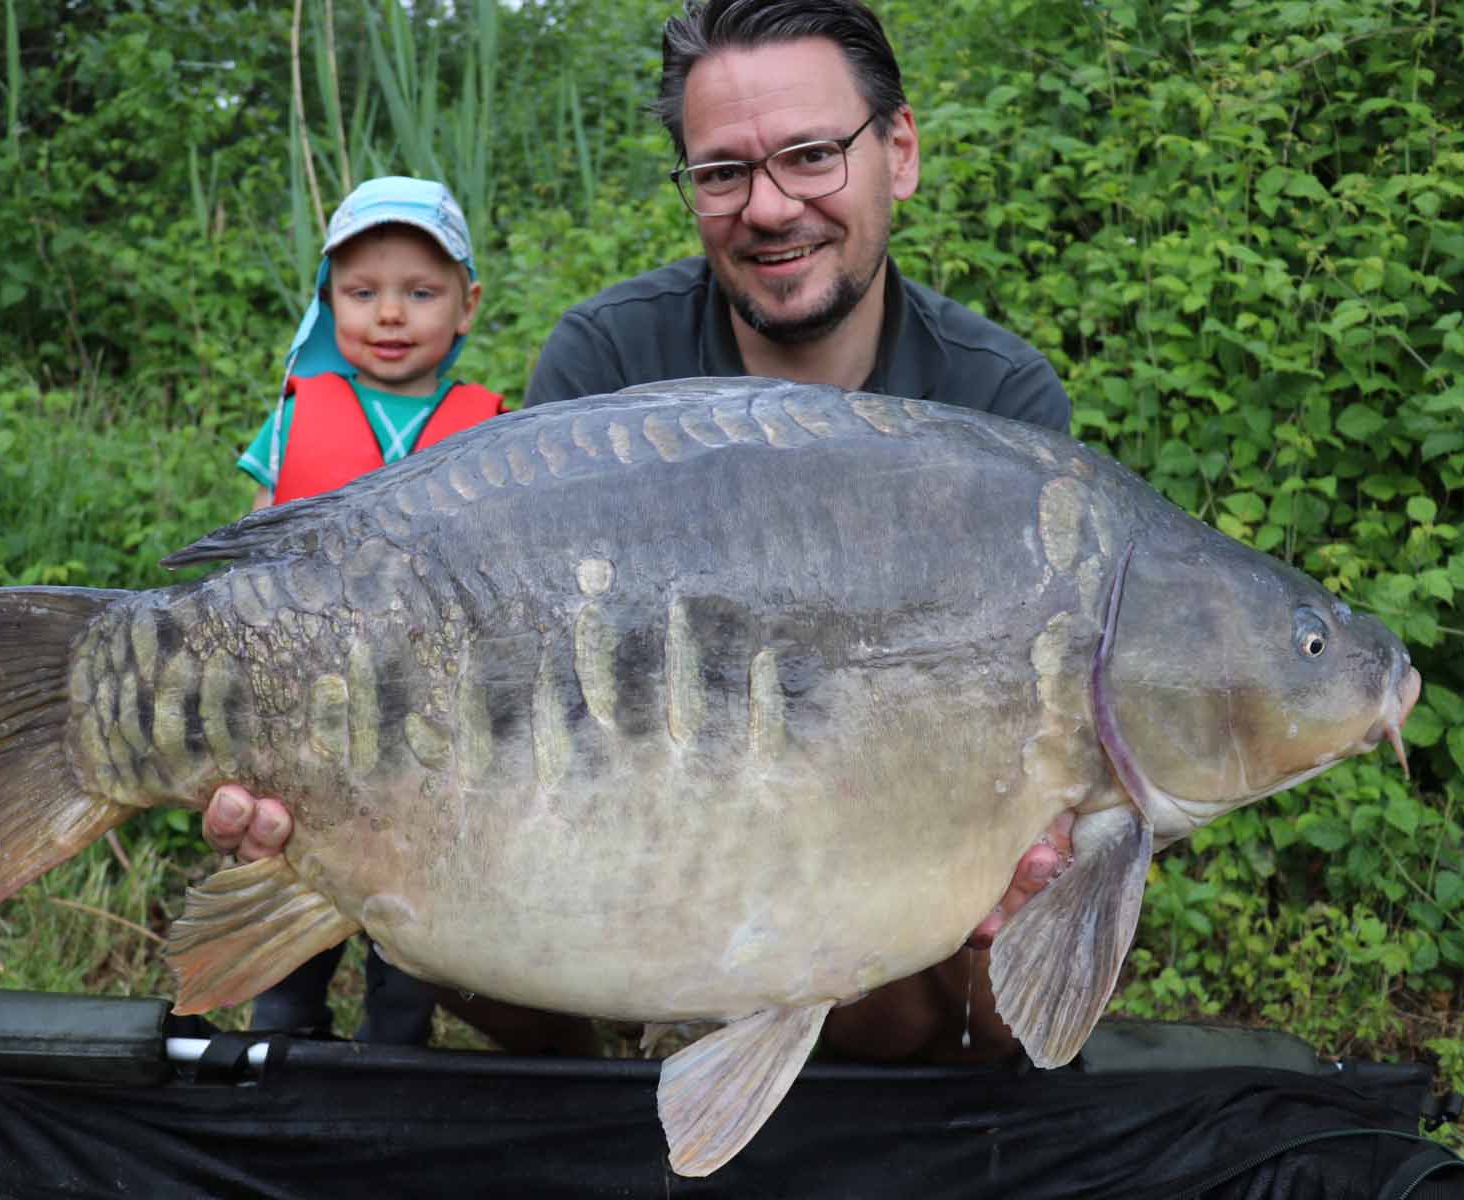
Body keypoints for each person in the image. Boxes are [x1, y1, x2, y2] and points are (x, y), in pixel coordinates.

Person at [206, 0, 1075, 1064]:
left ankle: (802, 1072)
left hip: (867, 841)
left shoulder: (997, 407)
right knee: (441, 893)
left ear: (899, 152)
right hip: (625, 836)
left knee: (1000, 942)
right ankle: (603, 1089)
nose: (769, 207)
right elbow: (496, 656)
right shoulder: (607, 359)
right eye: (722, 172)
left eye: (811, 155)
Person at [231, 175, 509, 1046]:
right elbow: (251, 556)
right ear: (329, 302)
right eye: (362, 293)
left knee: (413, 893)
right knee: (294, 872)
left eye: (420, 293)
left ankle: (396, 1052)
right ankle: (284, 1041)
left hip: (432, 721)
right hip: (308, 712)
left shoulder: (495, 430)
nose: (390, 314)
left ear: (466, 306)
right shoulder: (296, 419)